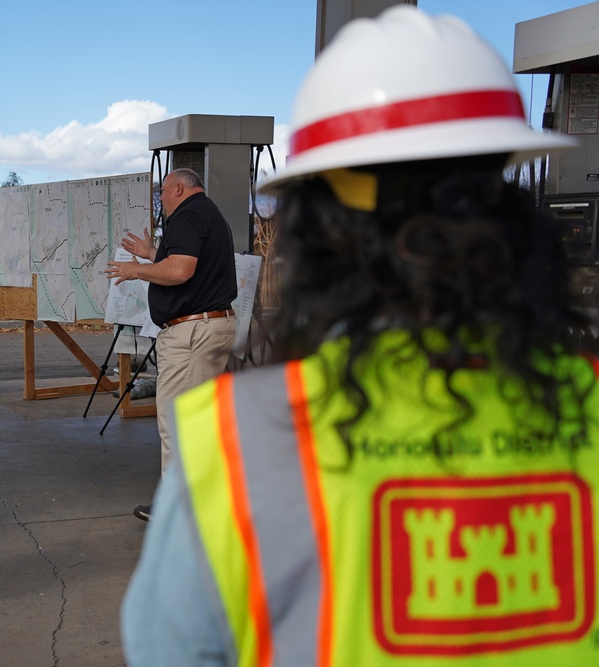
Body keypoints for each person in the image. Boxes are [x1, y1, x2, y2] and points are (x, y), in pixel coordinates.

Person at [121, 7, 590, 666]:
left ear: (316, 231)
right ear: (511, 211)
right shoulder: (587, 405)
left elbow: (171, 650)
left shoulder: (236, 442)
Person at [106, 168, 236, 521]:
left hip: (192, 334)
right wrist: (153, 254)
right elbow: (190, 264)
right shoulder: (208, 213)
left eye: (163, 191)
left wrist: (136, 270)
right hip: (209, 327)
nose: (160, 199)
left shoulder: (188, 214)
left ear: (179, 188)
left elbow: (180, 271)